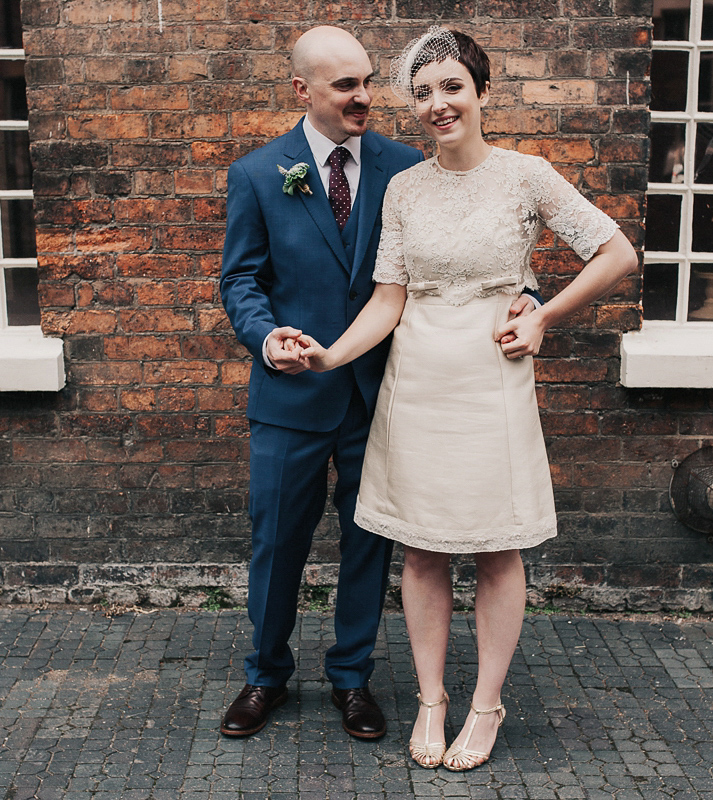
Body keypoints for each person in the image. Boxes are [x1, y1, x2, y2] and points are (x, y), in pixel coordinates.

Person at [296, 28, 639, 770]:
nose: (437, 105)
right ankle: (430, 698)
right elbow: (389, 300)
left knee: (494, 545)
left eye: (452, 87)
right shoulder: (403, 189)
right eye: (422, 93)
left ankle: (486, 703)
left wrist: (543, 313)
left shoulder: (526, 176)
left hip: (491, 380)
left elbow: (616, 252)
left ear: (483, 92)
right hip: (416, 381)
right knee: (418, 548)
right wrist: (330, 354)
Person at [218, 25, 537, 740]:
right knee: (276, 542)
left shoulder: (406, 166)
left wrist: (532, 302)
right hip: (289, 396)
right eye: (346, 86)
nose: (365, 96)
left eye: (368, 81)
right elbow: (240, 278)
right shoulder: (259, 173)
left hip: (383, 394)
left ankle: (352, 678)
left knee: (372, 542)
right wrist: (267, 336)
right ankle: (265, 675)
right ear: (303, 91)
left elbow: (484, 248)